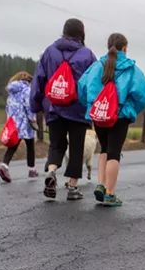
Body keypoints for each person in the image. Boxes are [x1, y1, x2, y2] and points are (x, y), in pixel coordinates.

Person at [78, 33, 145, 207]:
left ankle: (101, 184)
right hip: (119, 115)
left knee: (104, 149)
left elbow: (82, 87)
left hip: (99, 114)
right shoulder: (131, 69)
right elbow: (144, 92)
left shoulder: (96, 66)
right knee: (114, 153)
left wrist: (91, 106)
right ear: (125, 48)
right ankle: (110, 194)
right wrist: (130, 108)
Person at [30, 18, 97, 200]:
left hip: (54, 107)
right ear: (81, 33)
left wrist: (36, 105)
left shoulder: (50, 51)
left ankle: (51, 171)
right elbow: (94, 83)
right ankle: (73, 188)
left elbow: (39, 80)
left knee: (57, 145)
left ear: (64, 32)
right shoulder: (87, 54)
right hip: (78, 109)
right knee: (76, 148)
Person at [0, 72, 38, 182]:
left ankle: (4, 165)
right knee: (30, 146)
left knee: (13, 146)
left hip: (13, 123)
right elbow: (29, 105)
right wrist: (32, 117)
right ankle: (32, 170)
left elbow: (8, 107)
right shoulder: (26, 90)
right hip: (25, 122)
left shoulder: (12, 92)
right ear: (28, 81)